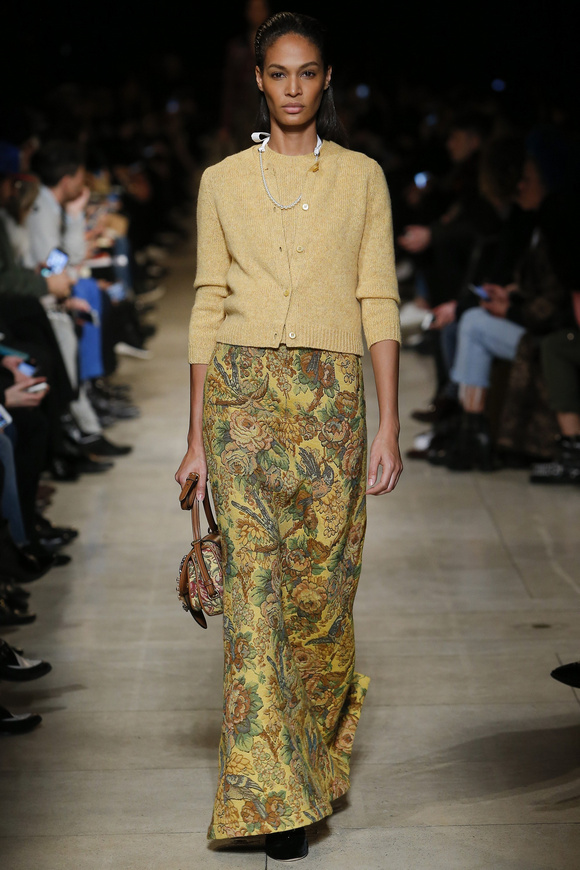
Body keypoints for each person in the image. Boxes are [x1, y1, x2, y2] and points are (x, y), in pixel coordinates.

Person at [175, 11, 402, 863]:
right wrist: (195, 438)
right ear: (259, 80)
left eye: (307, 72)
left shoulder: (363, 178)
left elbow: (378, 297)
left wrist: (388, 421)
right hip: (239, 402)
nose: (294, 87)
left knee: (319, 605)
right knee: (255, 607)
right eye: (279, 73)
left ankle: (312, 759)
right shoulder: (222, 181)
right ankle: (273, 803)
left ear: (327, 78)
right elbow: (207, 301)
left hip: (331, 406)